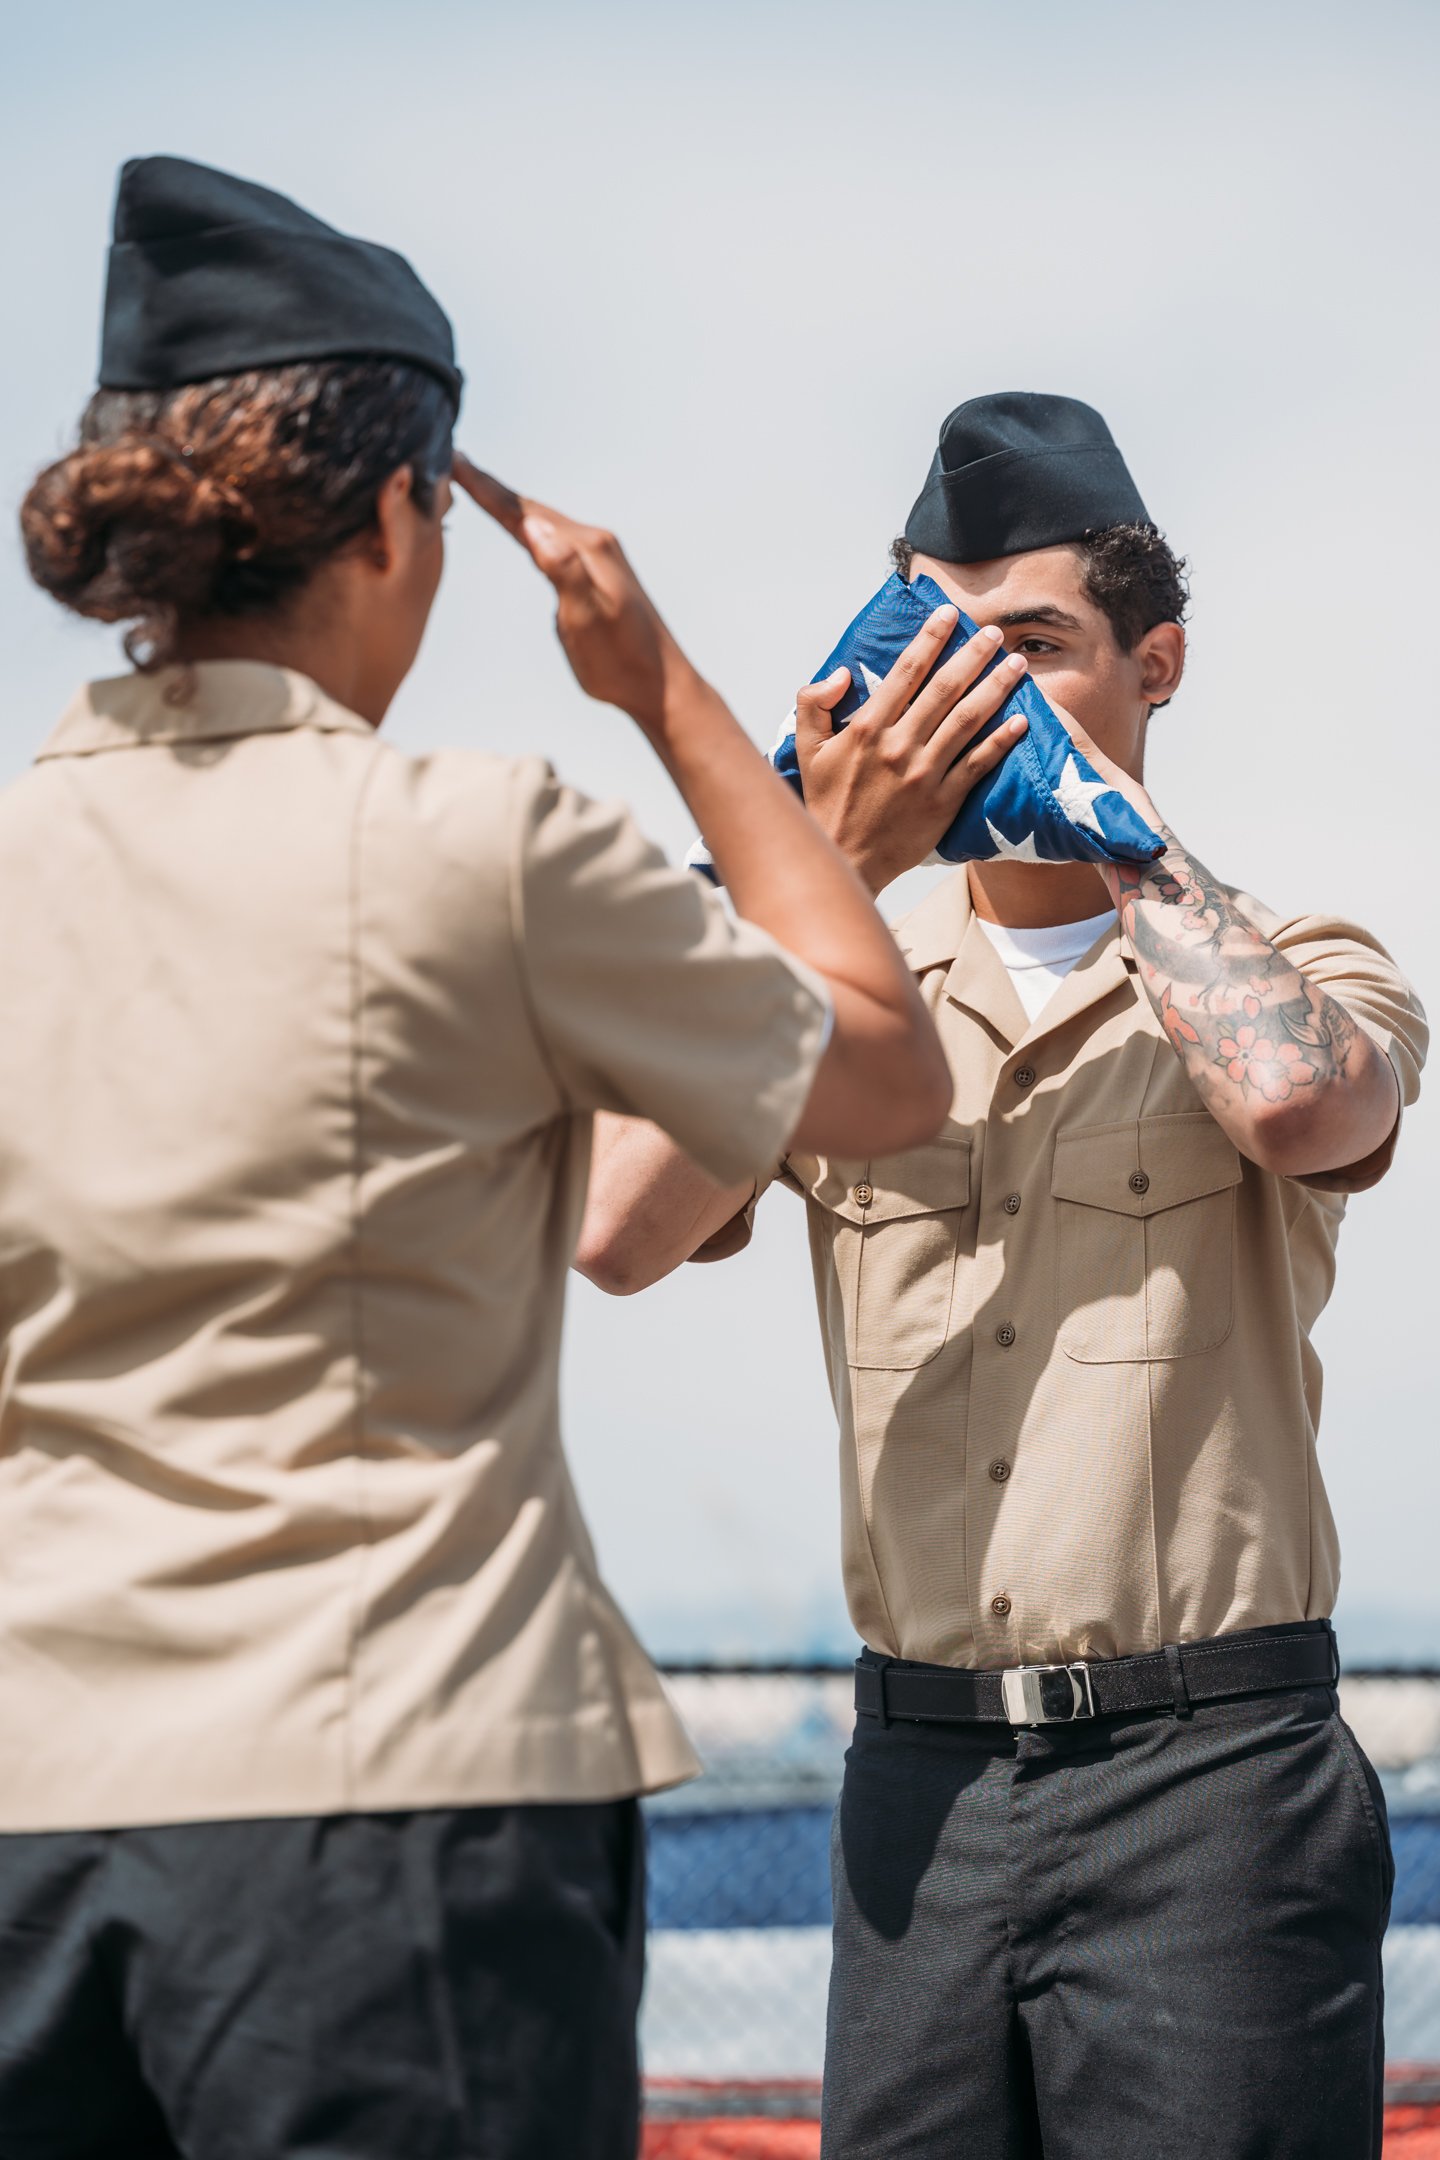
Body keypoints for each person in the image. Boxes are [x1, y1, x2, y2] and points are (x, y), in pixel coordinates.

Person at [0, 155, 960, 2160]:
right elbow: (881, 1074)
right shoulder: (478, 840)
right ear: (394, 517)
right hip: (395, 1809)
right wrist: (673, 696)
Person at [578, 391, 1429, 2159]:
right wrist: (814, 862)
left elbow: (1292, 1099)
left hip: (1214, 1787)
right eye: (939, 654)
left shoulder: (1307, 954)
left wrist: (1108, 831)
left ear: (1159, 662)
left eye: (1031, 648)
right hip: (921, 1795)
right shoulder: (832, 987)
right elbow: (617, 1227)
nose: (975, 699)